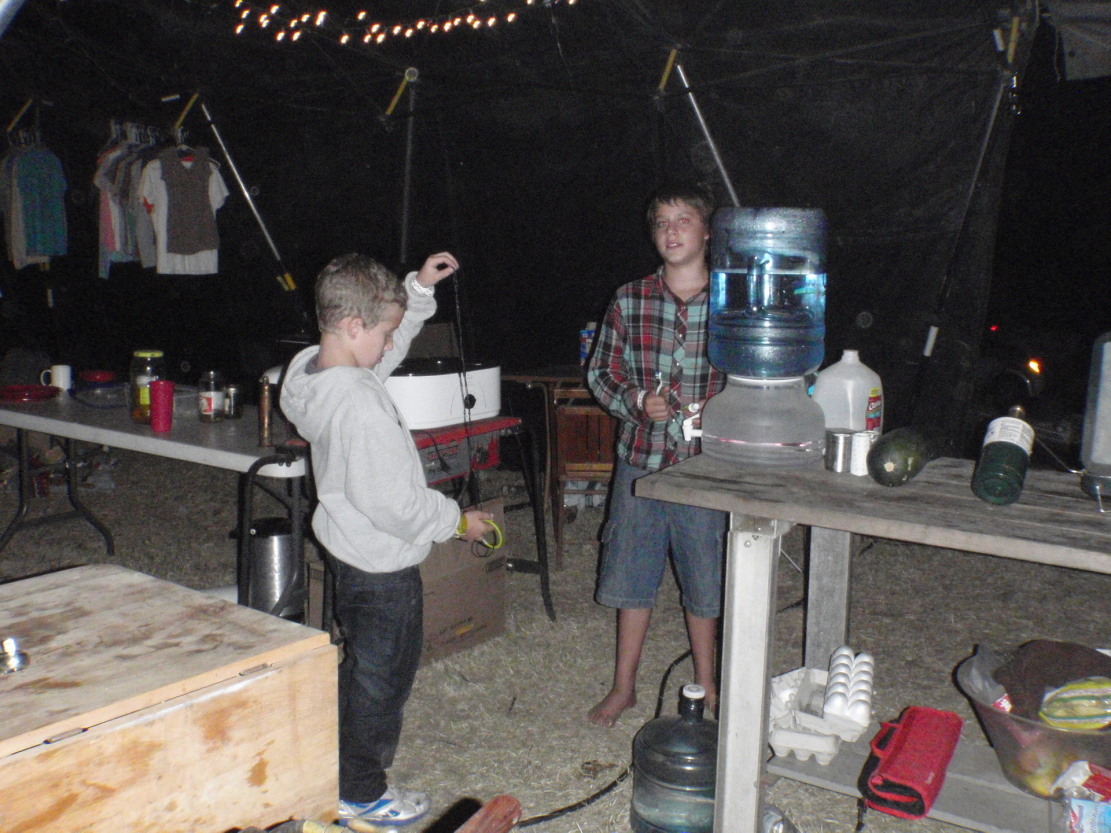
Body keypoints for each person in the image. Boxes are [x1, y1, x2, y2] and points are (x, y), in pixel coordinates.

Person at [280, 251, 495, 825]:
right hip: (382, 570)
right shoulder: (359, 404)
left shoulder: (316, 374)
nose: (390, 345)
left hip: (349, 553)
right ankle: (360, 794)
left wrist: (417, 292)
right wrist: (456, 521)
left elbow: (377, 355)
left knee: (361, 669)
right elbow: (394, 503)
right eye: (384, 333)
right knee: (382, 681)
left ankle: (334, 767)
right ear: (354, 326)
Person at [585, 182, 727, 728]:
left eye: (683, 220)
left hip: (705, 465)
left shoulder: (732, 301)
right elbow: (601, 373)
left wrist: (723, 410)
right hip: (640, 461)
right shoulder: (629, 298)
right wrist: (637, 400)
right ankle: (624, 687)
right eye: (662, 223)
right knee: (631, 573)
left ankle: (708, 683)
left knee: (705, 577)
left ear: (707, 231)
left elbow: (755, 377)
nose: (672, 231)